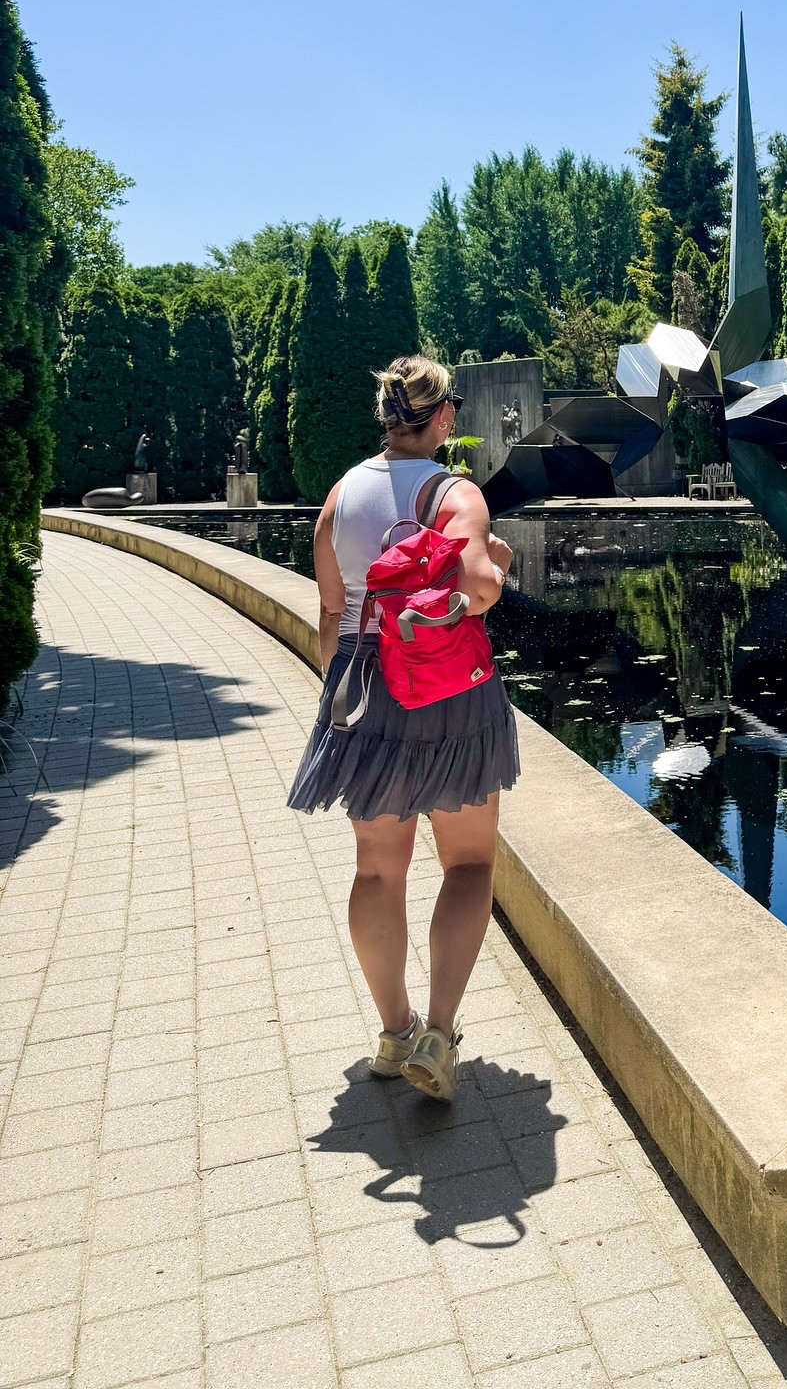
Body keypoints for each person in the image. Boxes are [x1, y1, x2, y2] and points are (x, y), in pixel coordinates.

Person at [287, 355, 519, 1101]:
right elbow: (477, 587)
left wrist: (344, 696)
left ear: (387, 415)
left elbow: (331, 611)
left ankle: (394, 1032)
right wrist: (498, 566)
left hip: (362, 687)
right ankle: (439, 1037)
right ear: (443, 417)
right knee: (469, 863)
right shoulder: (454, 492)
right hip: (445, 688)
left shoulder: (340, 496)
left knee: (377, 869)